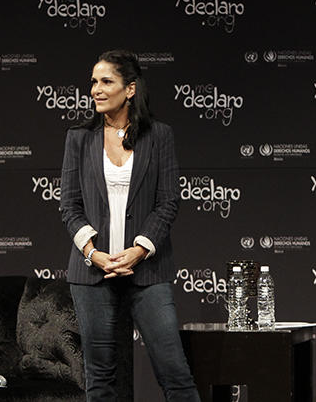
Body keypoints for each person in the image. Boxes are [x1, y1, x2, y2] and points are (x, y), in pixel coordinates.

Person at [60, 50, 200, 402]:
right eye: (93, 81)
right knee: (101, 380)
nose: (96, 89)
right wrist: (94, 254)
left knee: (175, 373)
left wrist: (139, 250)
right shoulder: (78, 139)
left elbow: (168, 202)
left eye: (106, 81)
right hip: (93, 273)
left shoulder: (159, 136)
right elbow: (70, 206)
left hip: (148, 269)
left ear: (131, 89)